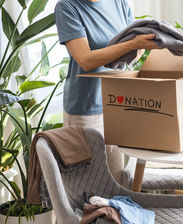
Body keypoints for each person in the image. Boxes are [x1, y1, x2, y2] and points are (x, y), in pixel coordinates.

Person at [54, 0, 159, 184]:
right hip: (85, 108)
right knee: (86, 183)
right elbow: (85, 60)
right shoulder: (67, 7)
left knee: (114, 180)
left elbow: (134, 50)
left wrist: (140, 45)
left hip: (116, 103)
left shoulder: (119, 2)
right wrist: (131, 45)